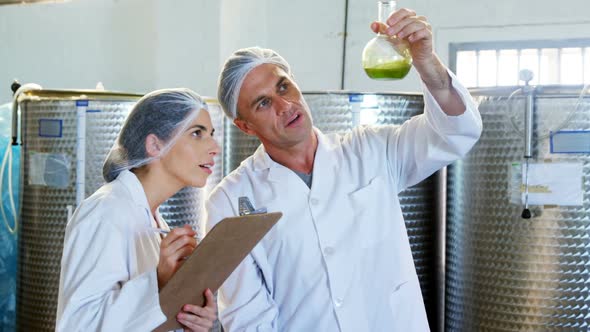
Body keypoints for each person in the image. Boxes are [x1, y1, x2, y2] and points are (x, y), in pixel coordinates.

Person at [206, 8, 483, 332]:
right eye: (263, 103)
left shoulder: (370, 149)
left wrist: (426, 63)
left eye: (284, 87)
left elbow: (455, 134)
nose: (285, 106)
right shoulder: (230, 200)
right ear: (245, 126)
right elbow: (246, 317)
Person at [56, 88, 220, 331]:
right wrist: (158, 281)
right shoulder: (105, 212)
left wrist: (188, 316)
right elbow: (79, 325)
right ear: (155, 145)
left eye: (212, 134)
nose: (215, 147)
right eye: (197, 133)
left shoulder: (154, 220)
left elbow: (145, 316)